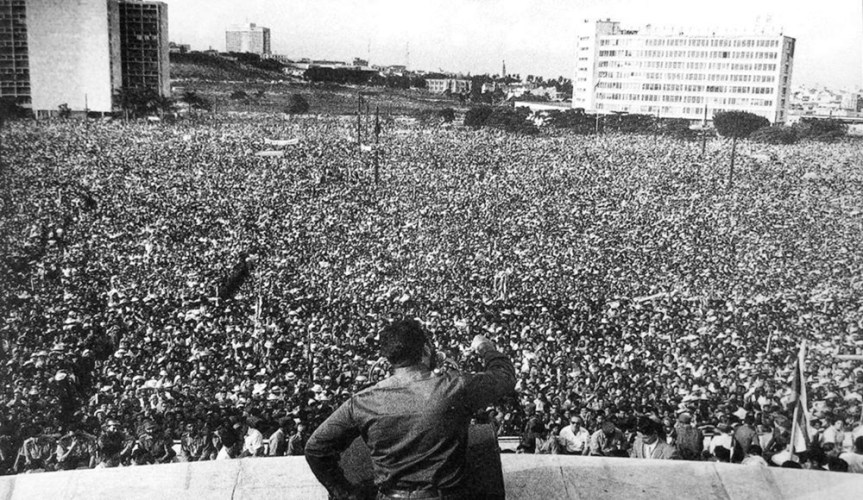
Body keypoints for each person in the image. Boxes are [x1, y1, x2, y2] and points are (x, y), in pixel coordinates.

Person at [305, 319, 515, 500]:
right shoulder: (455, 387)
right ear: (425, 351)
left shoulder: (362, 401)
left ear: (388, 359)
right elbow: (505, 377)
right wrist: (486, 348)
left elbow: (315, 448)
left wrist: (344, 493)